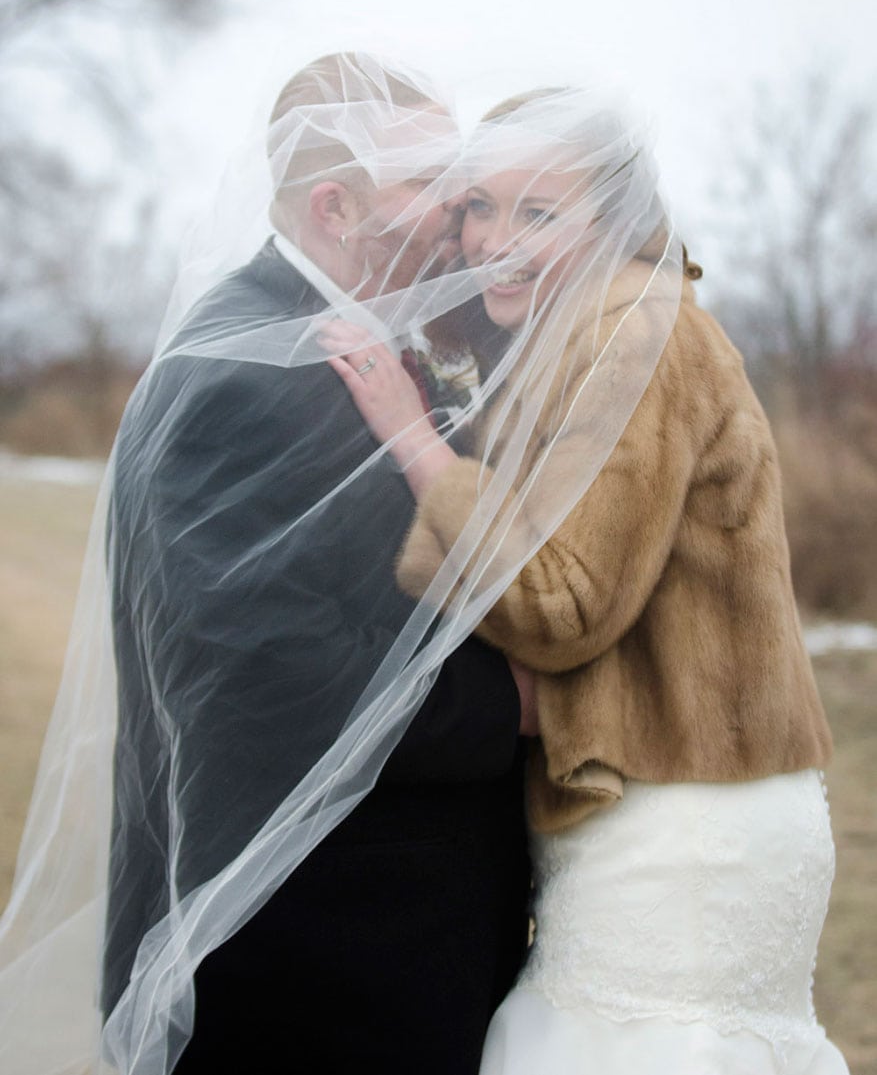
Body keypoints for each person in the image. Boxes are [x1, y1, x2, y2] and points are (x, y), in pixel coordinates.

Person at [0, 54, 532, 1075]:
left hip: (379, 953)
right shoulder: (241, 370)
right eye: (432, 183)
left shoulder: (353, 337)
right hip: (318, 966)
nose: (461, 209)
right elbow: (267, 667)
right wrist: (505, 704)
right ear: (337, 206)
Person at [322, 86, 850, 1074]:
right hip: (670, 791)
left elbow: (562, 603)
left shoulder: (630, 333)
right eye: (479, 205)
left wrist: (412, 442)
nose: (493, 239)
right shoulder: (586, 325)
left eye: (538, 212)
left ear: (610, 218)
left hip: (688, 812)